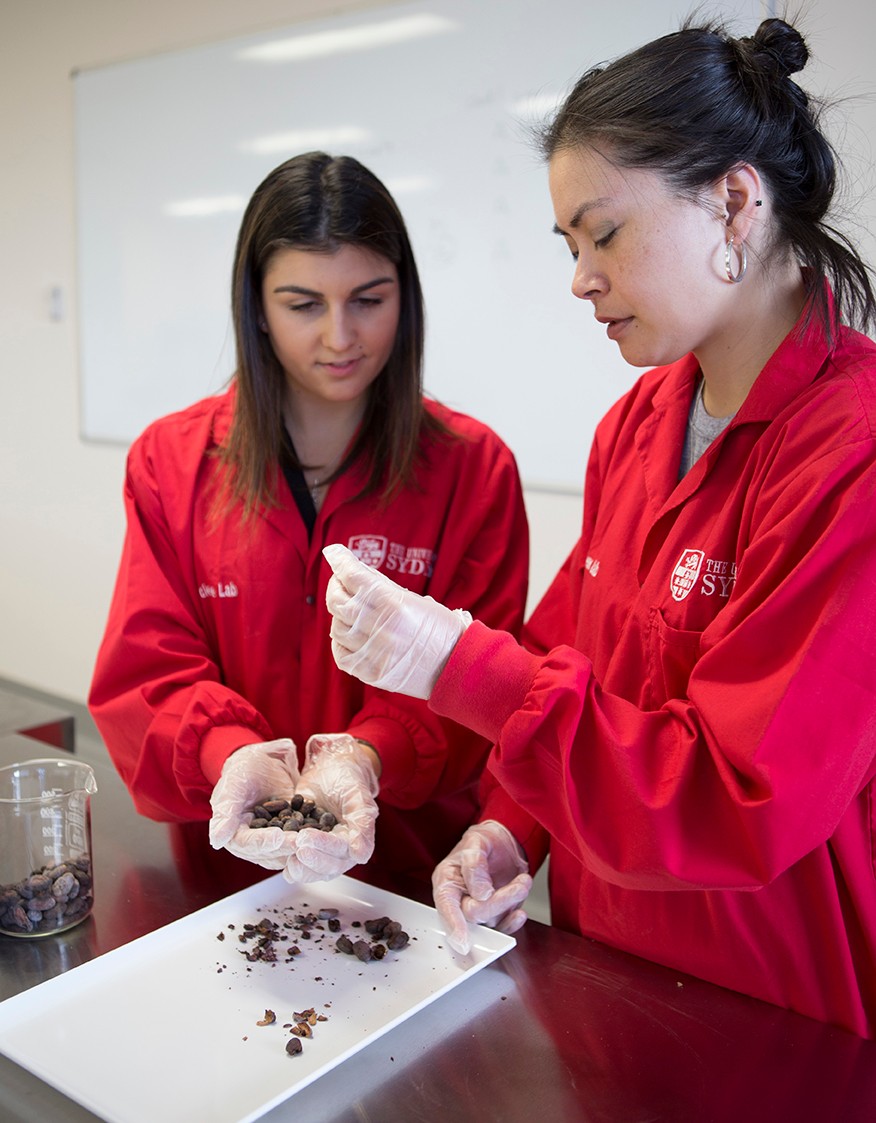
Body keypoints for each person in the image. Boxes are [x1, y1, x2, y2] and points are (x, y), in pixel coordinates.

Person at [321, 18, 876, 1037]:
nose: (580, 278)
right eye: (569, 245)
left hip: (769, 1013)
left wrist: (452, 660)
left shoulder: (852, 453)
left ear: (735, 202)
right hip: (605, 981)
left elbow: (733, 793)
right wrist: (509, 828)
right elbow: (584, 658)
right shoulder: (638, 425)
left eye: (604, 233)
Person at [88, 151, 529, 904]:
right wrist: (230, 753)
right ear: (256, 306)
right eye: (303, 304)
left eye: (368, 298)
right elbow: (147, 672)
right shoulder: (171, 461)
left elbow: (480, 690)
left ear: (406, 297)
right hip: (229, 883)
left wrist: (366, 755)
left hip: (411, 889)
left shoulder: (472, 468)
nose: (339, 336)